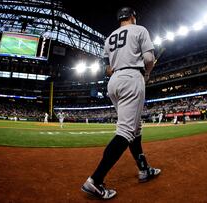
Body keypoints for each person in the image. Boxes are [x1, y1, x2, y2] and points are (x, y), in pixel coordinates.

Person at [81, 7, 160, 200]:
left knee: (135, 128)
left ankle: (144, 169)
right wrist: (147, 72)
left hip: (114, 81)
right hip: (132, 77)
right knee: (125, 131)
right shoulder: (140, 29)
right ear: (132, 17)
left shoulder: (109, 38)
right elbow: (149, 58)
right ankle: (95, 181)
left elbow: (108, 68)